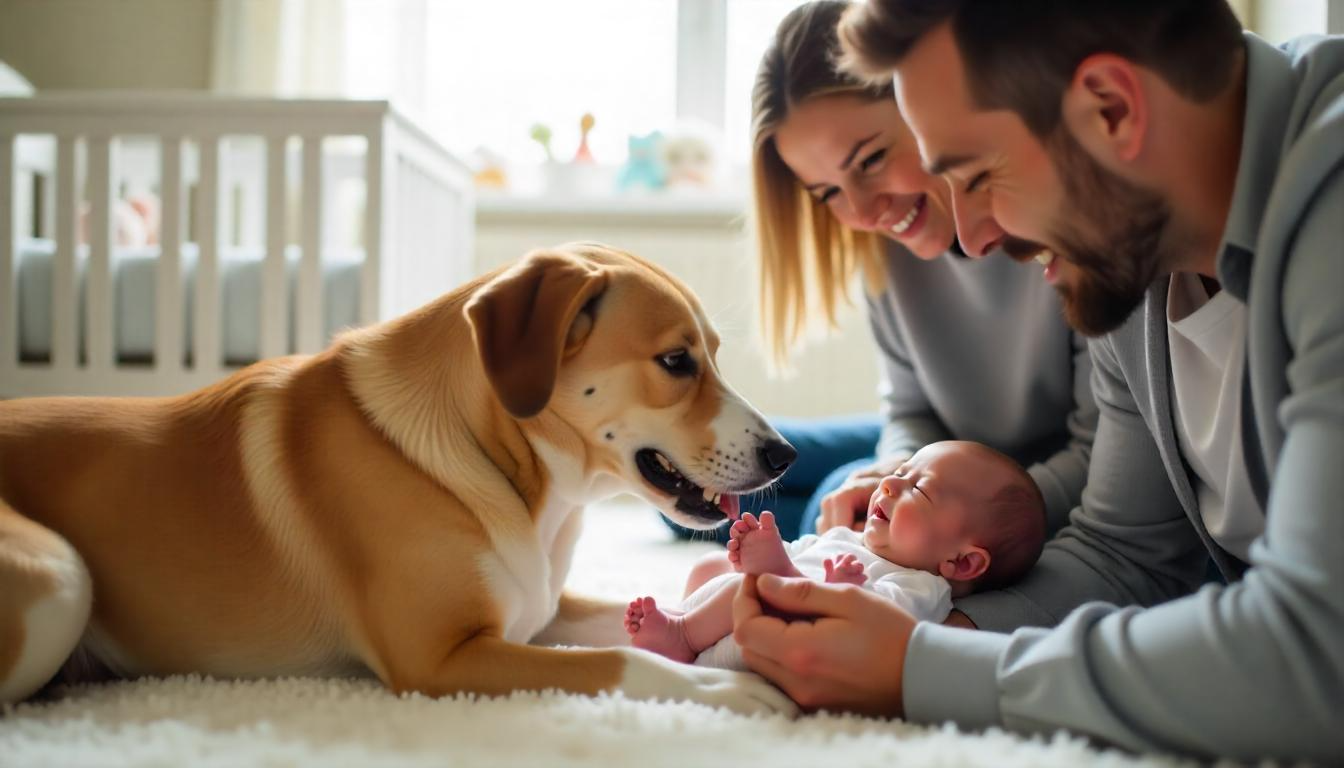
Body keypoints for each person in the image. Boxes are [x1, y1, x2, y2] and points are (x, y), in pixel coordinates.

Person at [730, 1, 1344, 762]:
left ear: (1110, 108)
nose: (978, 238)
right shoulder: (1135, 252)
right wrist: (928, 634)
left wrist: (927, 671)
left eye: (980, 174)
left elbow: (1318, 655)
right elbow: (1127, 557)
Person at [662, 0, 1096, 547]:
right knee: (699, 484)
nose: (866, 213)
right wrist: (892, 470)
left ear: (926, 107)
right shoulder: (888, 247)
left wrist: (918, 507)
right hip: (943, 455)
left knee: (830, 498)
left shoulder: (1053, 230)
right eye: (829, 194)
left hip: (1017, 480)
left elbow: (1103, 460)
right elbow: (912, 410)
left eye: (869, 161)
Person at [630, 442, 1044, 669]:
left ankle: (682, 637)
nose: (888, 487)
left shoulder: (921, 587)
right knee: (710, 566)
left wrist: (806, 579)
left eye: (918, 490)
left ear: (962, 563)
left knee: (751, 585)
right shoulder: (852, 538)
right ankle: (686, 620)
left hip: (782, 641)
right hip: (750, 606)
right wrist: (755, 554)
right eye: (899, 474)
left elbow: (871, 627)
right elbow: (804, 551)